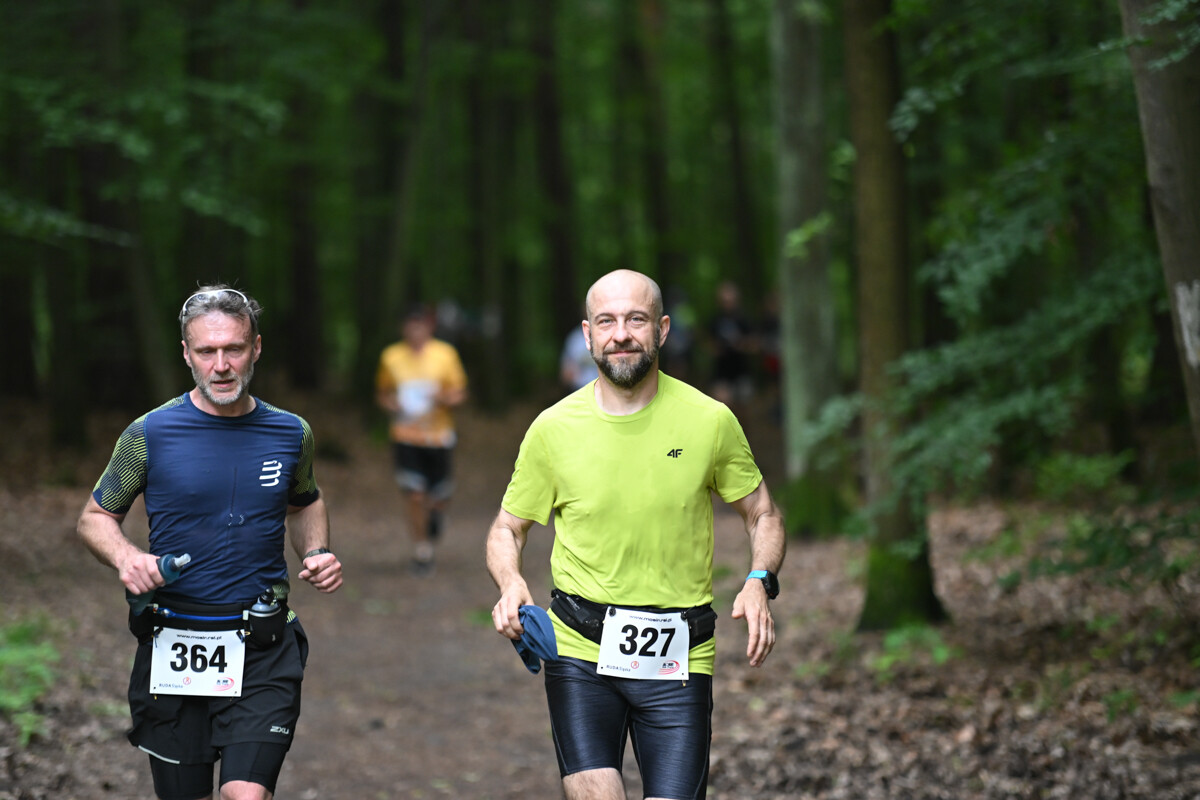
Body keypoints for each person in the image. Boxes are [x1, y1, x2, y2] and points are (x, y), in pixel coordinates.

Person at [487, 269, 786, 800]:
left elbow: (762, 513)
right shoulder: (553, 429)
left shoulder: (710, 421)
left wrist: (759, 579)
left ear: (663, 329)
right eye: (607, 321)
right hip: (580, 647)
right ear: (587, 334)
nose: (620, 333)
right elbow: (507, 528)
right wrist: (510, 582)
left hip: (679, 654)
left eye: (636, 319)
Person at [76, 284, 344, 800]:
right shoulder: (148, 433)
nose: (221, 365)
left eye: (234, 349)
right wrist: (128, 558)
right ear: (187, 354)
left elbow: (305, 500)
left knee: (246, 794)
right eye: (207, 351)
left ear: (256, 348)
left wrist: (315, 552)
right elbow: (94, 518)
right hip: (174, 642)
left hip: (263, 645)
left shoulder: (291, 433)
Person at [375, 304, 468, 575]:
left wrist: (441, 399)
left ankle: (436, 516)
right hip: (405, 435)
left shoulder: (445, 354)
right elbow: (382, 393)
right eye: (410, 325)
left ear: (429, 327)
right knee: (414, 494)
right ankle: (422, 550)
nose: (415, 330)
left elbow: (460, 392)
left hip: (438, 436)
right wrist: (391, 404)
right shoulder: (391, 356)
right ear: (404, 328)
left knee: (439, 495)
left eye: (421, 325)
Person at [559, 325, 599, 393]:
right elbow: (565, 373)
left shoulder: (605, 335)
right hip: (580, 389)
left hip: (604, 389)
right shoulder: (575, 338)